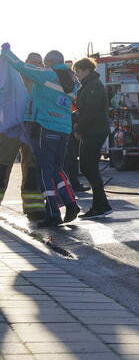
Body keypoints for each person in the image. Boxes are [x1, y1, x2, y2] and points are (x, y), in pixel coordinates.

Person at [1, 44, 80, 225]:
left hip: (44, 128)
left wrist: (6, 52)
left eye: (42, 62)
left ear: (49, 62)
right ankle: (71, 203)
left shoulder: (45, 75)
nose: (39, 65)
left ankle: (52, 213)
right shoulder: (72, 79)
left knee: (43, 171)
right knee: (56, 170)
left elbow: (19, 65)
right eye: (35, 62)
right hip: (62, 130)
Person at [72, 57, 111, 217]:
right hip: (92, 130)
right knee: (88, 167)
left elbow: (90, 112)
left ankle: (100, 206)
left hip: (94, 131)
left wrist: (79, 129)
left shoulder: (93, 86)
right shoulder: (88, 85)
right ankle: (102, 204)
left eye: (77, 71)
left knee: (89, 167)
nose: (76, 75)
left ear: (86, 70)